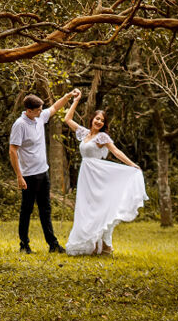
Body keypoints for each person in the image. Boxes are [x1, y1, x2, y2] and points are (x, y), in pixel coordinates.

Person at [61, 95, 148, 256]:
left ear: (104, 124)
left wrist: (132, 165)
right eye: (97, 119)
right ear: (92, 119)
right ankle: (93, 243)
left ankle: (106, 245)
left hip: (98, 174)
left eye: (102, 120)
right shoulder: (84, 133)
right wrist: (75, 101)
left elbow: (115, 151)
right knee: (87, 208)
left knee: (99, 207)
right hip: (86, 174)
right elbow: (67, 119)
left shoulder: (102, 137)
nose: (99, 122)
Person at [9, 88, 80, 254]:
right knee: (26, 210)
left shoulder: (39, 118)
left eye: (41, 109)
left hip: (43, 173)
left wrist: (68, 96)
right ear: (29, 110)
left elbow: (54, 108)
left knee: (45, 210)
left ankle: (53, 244)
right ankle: (24, 245)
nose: (42, 112)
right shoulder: (20, 125)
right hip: (28, 175)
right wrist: (19, 176)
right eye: (38, 110)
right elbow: (13, 150)